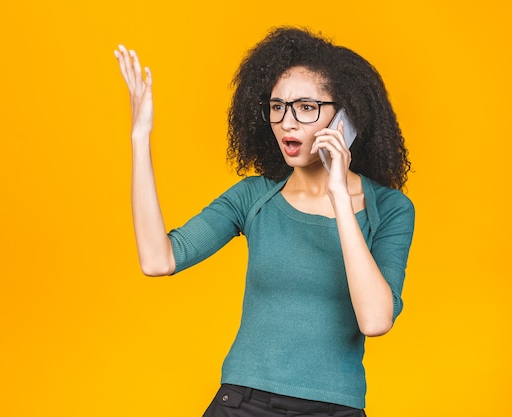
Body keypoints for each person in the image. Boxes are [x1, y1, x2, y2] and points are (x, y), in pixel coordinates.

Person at [114, 26, 415, 417]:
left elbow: (375, 319)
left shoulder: (390, 208)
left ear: (346, 118)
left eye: (306, 107)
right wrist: (141, 138)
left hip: (333, 408)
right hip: (242, 402)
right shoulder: (254, 196)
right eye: (277, 107)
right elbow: (159, 260)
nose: (286, 122)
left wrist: (339, 193)